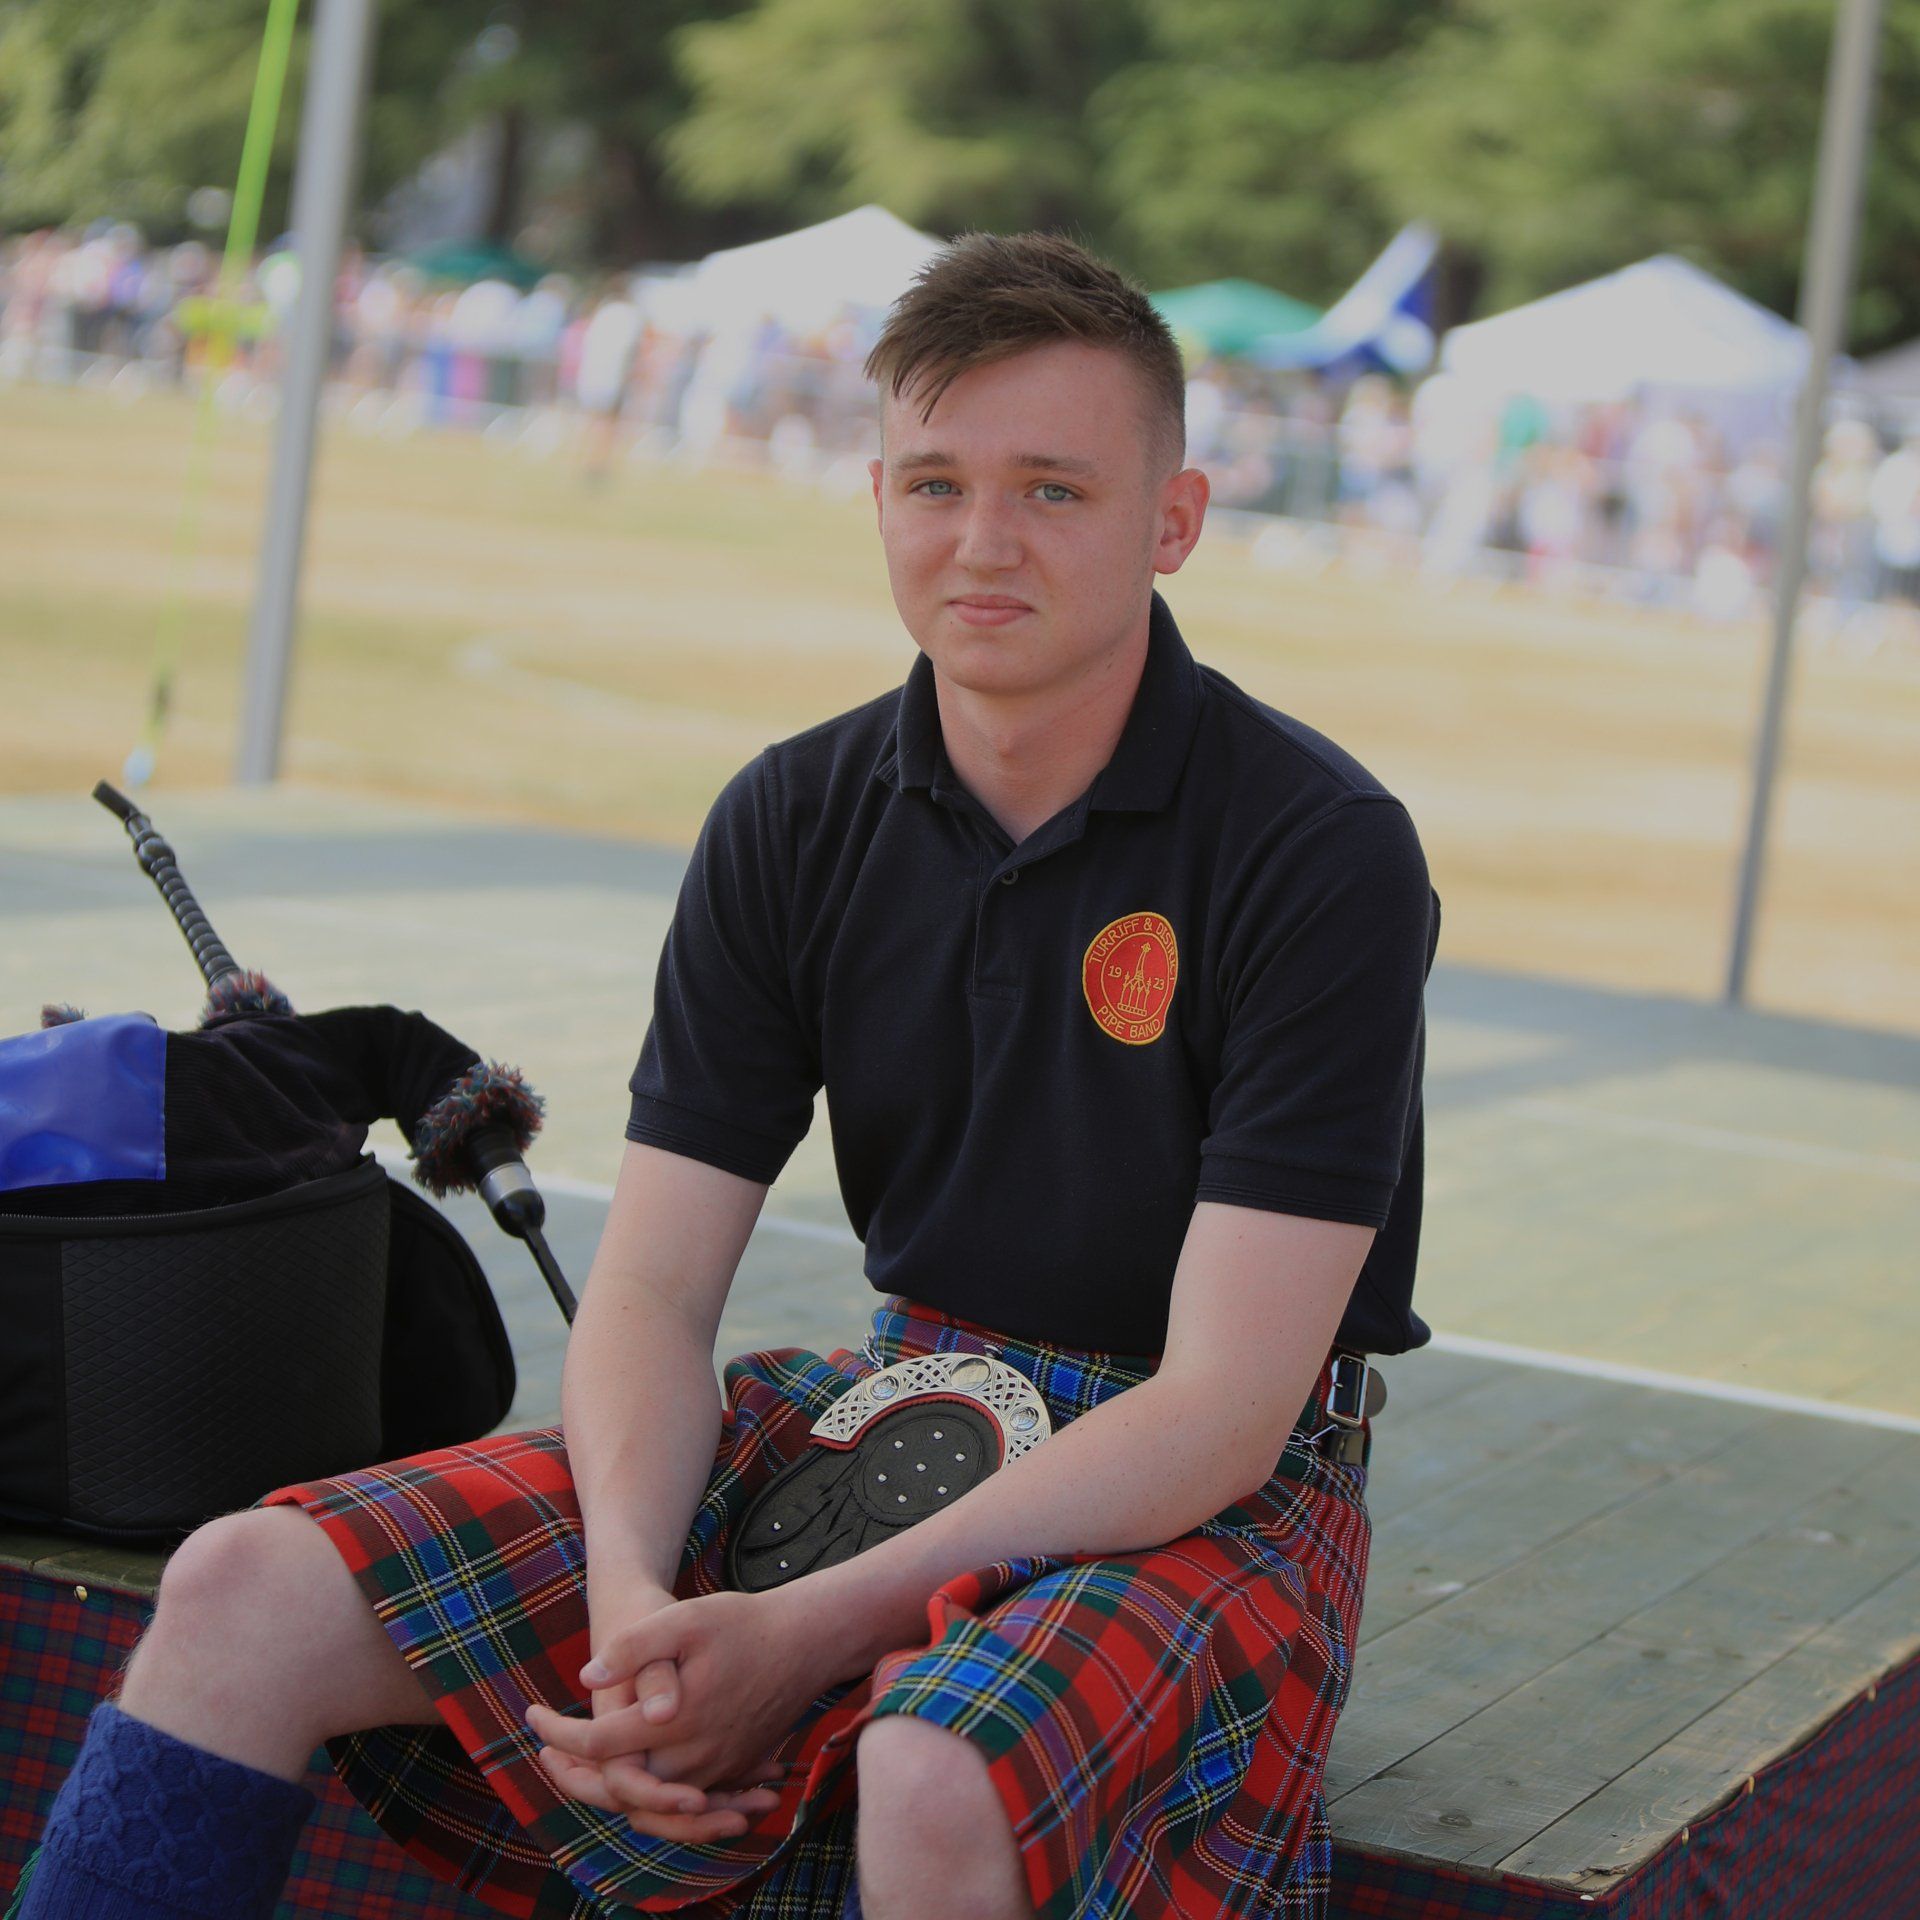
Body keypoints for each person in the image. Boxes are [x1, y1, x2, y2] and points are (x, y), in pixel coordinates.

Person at [13, 231, 1438, 1920]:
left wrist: (802, 1632)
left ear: (1173, 521)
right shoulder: (792, 813)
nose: (983, 541)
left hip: (1216, 1497)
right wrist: (635, 1609)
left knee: (937, 1767)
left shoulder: (1319, 849)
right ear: (880, 498)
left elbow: (1220, 1409)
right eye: (936, 482)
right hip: (903, 1403)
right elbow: (650, 1291)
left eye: (1055, 490)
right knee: (243, 1585)